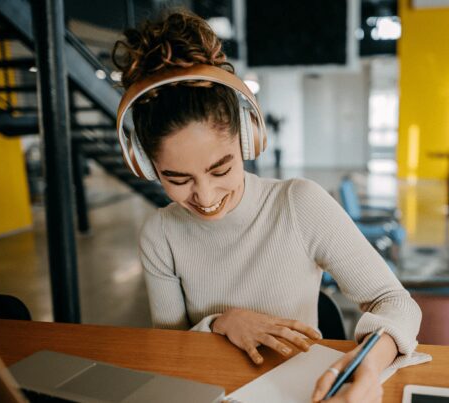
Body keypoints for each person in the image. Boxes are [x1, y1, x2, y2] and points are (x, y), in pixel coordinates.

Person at [113, 9, 428, 403]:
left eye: (221, 168)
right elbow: (171, 351)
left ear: (249, 139)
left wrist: (367, 365)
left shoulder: (299, 204)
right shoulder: (160, 235)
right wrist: (222, 322)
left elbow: (395, 302)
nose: (206, 198)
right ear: (146, 165)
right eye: (177, 180)